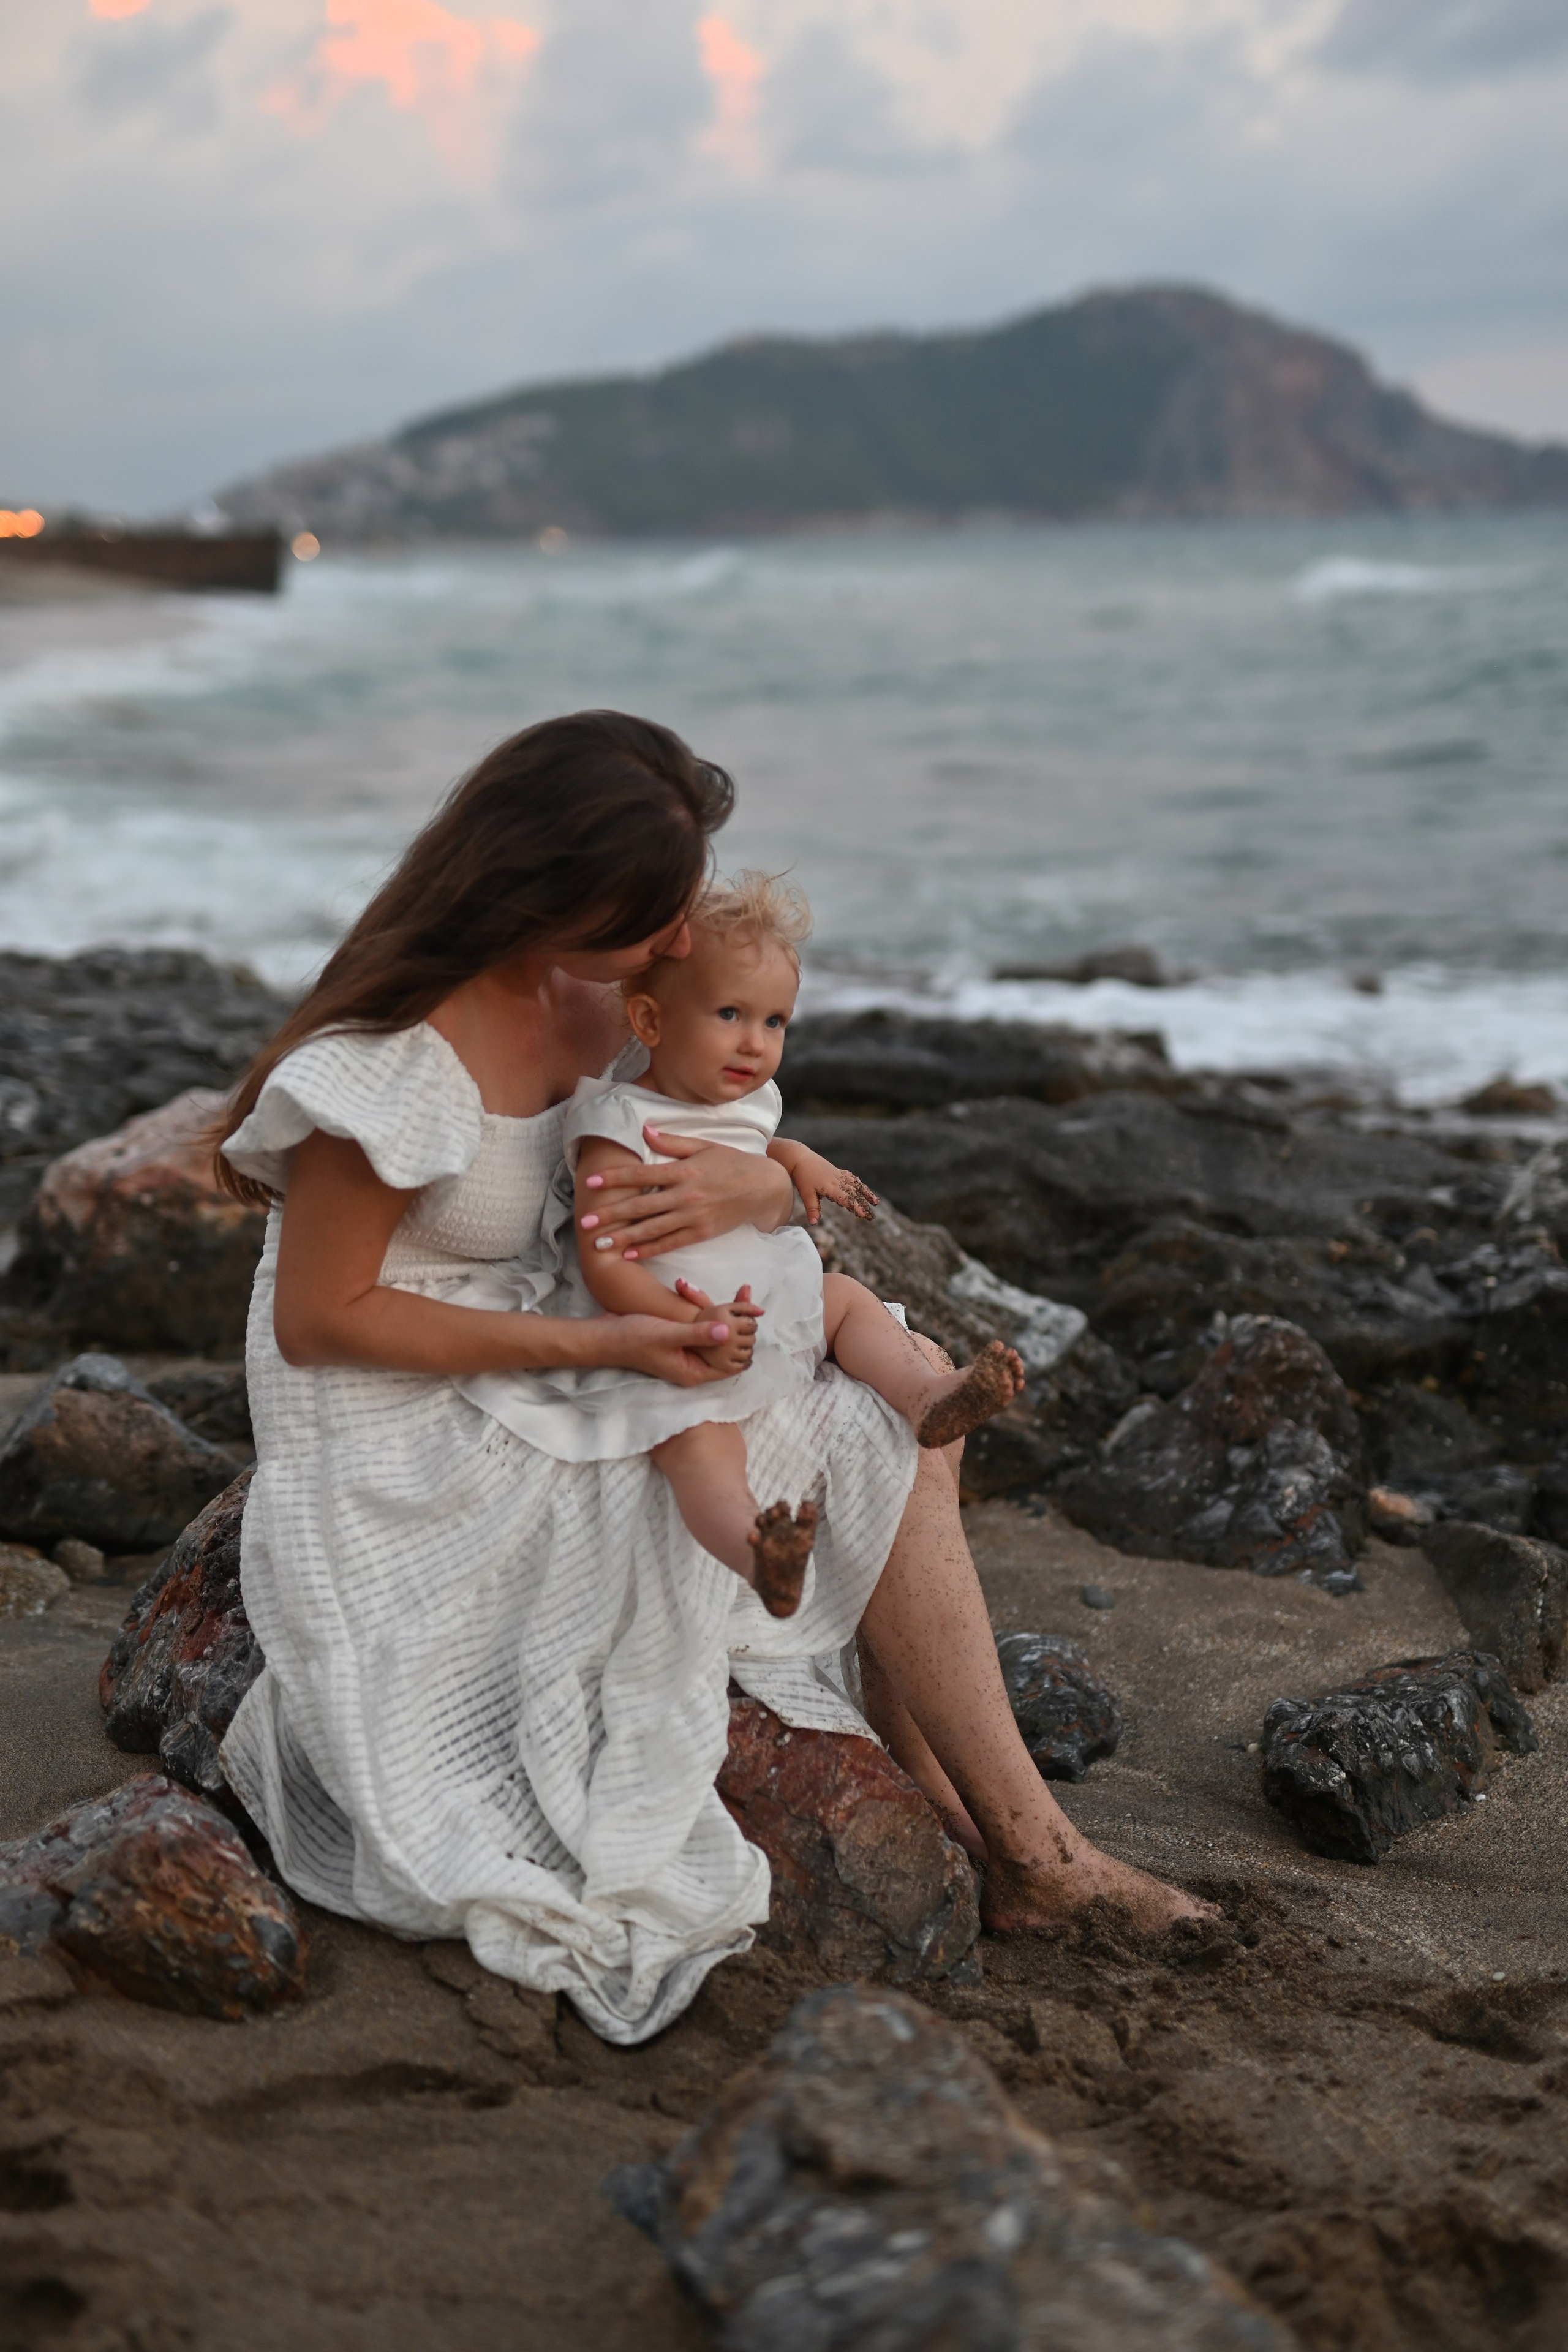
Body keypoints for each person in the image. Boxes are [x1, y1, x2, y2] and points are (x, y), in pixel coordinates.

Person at [214, 709, 1209, 2049]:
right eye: (653, 916)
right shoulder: (383, 1066)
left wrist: (756, 1176)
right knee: (878, 1431)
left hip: (565, 1353)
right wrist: (611, 1346)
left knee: (892, 1382)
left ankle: (967, 1796)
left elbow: (688, 1109)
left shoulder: (589, 1001)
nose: (682, 940)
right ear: (552, 893)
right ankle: (1028, 1844)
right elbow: (320, 1324)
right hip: (412, 1435)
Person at [457, 869, 1027, 1618]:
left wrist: (798, 1162)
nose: (754, 1044)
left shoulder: (749, 1101)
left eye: (775, 1022)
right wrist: (683, 1326)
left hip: (760, 1308)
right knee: (701, 1445)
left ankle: (924, 1398)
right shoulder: (619, 1124)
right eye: (729, 1013)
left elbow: (760, 1142)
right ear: (652, 1023)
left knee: (849, 1300)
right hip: (669, 1333)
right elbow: (601, 1261)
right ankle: (758, 1551)